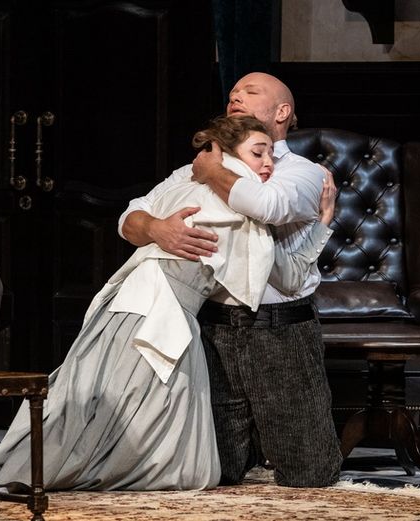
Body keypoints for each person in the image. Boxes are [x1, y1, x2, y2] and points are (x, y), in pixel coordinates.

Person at [0, 115, 336, 492]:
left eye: (271, 155)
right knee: (126, 415)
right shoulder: (238, 206)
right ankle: (46, 472)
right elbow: (287, 274)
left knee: (95, 402)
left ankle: (26, 469)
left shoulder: (191, 184)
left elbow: (137, 212)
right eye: (258, 153)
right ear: (227, 154)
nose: (268, 164)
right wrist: (323, 221)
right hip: (157, 313)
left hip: (126, 306)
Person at [119, 72, 343, 488]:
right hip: (212, 328)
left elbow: (267, 205)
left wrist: (212, 174)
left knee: (310, 473)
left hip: (279, 332)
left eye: (250, 91)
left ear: (282, 112)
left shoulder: (302, 172)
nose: (235, 96)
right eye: (233, 92)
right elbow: (131, 215)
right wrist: (155, 228)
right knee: (215, 472)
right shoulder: (199, 166)